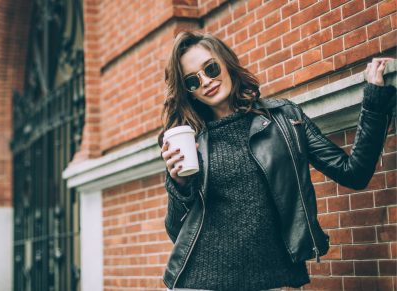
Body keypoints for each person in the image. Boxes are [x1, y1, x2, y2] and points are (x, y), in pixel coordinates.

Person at [158, 31, 396, 291]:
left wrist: (374, 102)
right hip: (202, 282)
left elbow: (354, 173)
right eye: (193, 81)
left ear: (226, 63)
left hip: (268, 281)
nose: (206, 81)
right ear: (189, 92)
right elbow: (176, 231)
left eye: (211, 68)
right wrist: (179, 185)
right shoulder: (190, 141)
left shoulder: (284, 119)